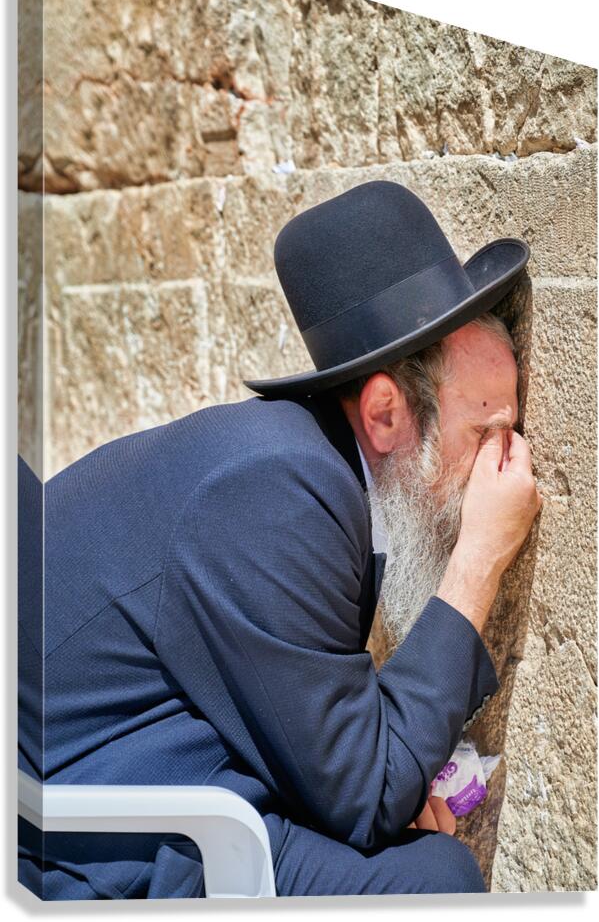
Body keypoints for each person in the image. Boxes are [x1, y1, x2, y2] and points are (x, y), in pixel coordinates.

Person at [18, 180, 542, 898]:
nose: (504, 464)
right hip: (89, 843)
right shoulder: (279, 492)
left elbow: (328, 737)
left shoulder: (295, 464)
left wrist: (383, 769)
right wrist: (478, 557)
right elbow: (366, 792)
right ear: (385, 412)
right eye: (485, 433)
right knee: (430, 880)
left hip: (151, 770)